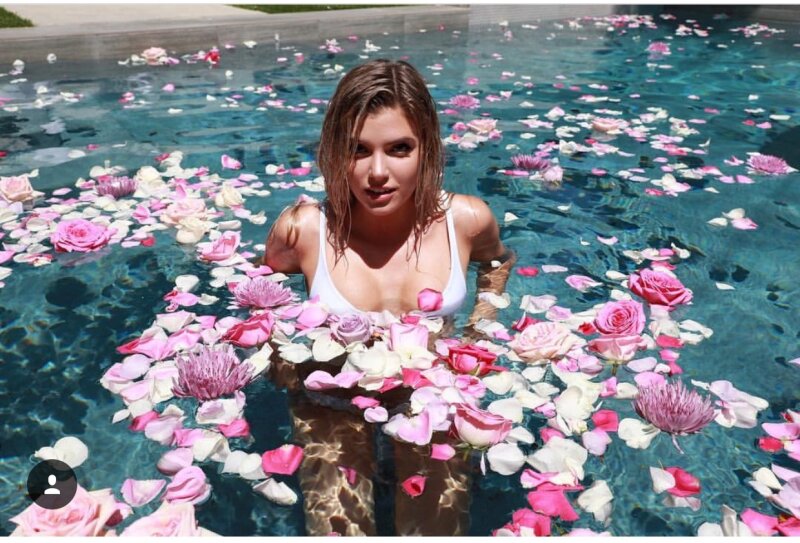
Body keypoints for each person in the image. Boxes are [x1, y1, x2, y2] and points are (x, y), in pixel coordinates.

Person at [263, 59, 515, 536]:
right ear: (335, 152)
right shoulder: (301, 230)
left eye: (399, 148)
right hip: (331, 401)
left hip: (431, 396)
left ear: (427, 149)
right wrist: (287, 369)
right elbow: (263, 301)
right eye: (358, 150)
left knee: (433, 532)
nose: (377, 172)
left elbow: (498, 263)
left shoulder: (466, 220)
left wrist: (480, 331)